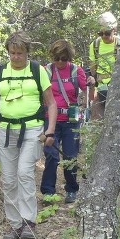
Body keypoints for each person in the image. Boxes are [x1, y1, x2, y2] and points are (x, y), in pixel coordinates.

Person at [0, 31, 57, 239]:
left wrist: (50, 130)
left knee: (24, 173)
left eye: (20, 53)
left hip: (32, 130)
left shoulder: (38, 70)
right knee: (8, 179)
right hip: (6, 131)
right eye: (12, 53)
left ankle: (29, 222)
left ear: (27, 52)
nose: (16, 57)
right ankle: (14, 224)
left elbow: (51, 103)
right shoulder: (0, 71)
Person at [40, 39, 94, 204]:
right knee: (51, 156)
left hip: (71, 121)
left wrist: (91, 87)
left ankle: (72, 190)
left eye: (64, 58)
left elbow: (89, 94)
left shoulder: (76, 71)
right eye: (57, 58)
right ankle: (48, 192)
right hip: (50, 120)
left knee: (70, 156)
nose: (60, 62)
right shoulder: (45, 71)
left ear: (69, 57)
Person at [89, 11, 120, 120]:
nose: (103, 36)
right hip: (100, 90)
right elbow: (93, 68)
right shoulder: (94, 45)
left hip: (119, 91)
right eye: (100, 33)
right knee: (97, 124)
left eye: (107, 33)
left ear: (114, 30)